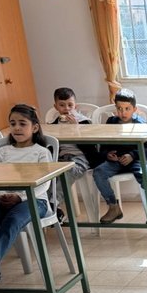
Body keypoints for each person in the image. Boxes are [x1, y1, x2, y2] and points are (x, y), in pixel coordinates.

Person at [0, 104, 51, 289]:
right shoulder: (3, 152)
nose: (17, 128)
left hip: (34, 201)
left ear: (35, 127)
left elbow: (44, 184)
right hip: (5, 200)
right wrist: (1, 195)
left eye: (22, 123)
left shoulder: (41, 152)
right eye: (13, 123)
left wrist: (20, 198)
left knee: (12, 220)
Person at [93, 88, 147, 224]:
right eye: (119, 109)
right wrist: (108, 154)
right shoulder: (111, 122)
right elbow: (103, 145)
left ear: (134, 109)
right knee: (98, 172)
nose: (123, 113)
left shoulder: (140, 124)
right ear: (115, 108)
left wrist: (132, 155)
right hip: (116, 161)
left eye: (127, 109)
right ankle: (113, 206)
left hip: (137, 160)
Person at [50, 86, 97, 224]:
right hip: (61, 158)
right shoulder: (53, 124)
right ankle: (48, 206)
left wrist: (77, 129)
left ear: (75, 105)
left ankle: (52, 204)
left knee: (68, 171)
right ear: (55, 107)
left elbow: (91, 146)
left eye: (70, 105)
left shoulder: (84, 122)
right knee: (47, 174)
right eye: (62, 105)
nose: (66, 108)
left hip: (80, 158)